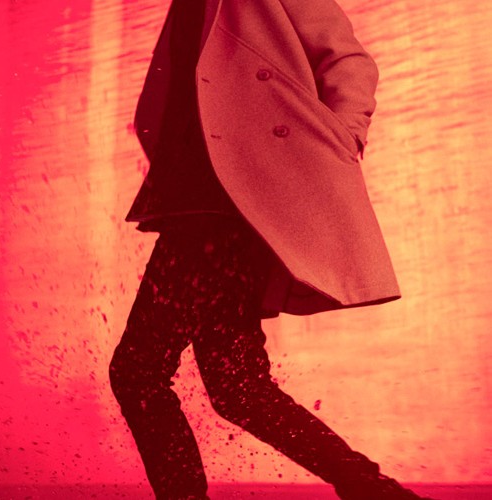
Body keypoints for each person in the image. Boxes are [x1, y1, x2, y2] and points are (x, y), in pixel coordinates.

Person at [109, 1, 435, 499]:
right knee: (239, 390)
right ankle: (375, 491)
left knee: (139, 372)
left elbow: (347, 60)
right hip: (202, 202)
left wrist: (341, 138)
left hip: (226, 204)